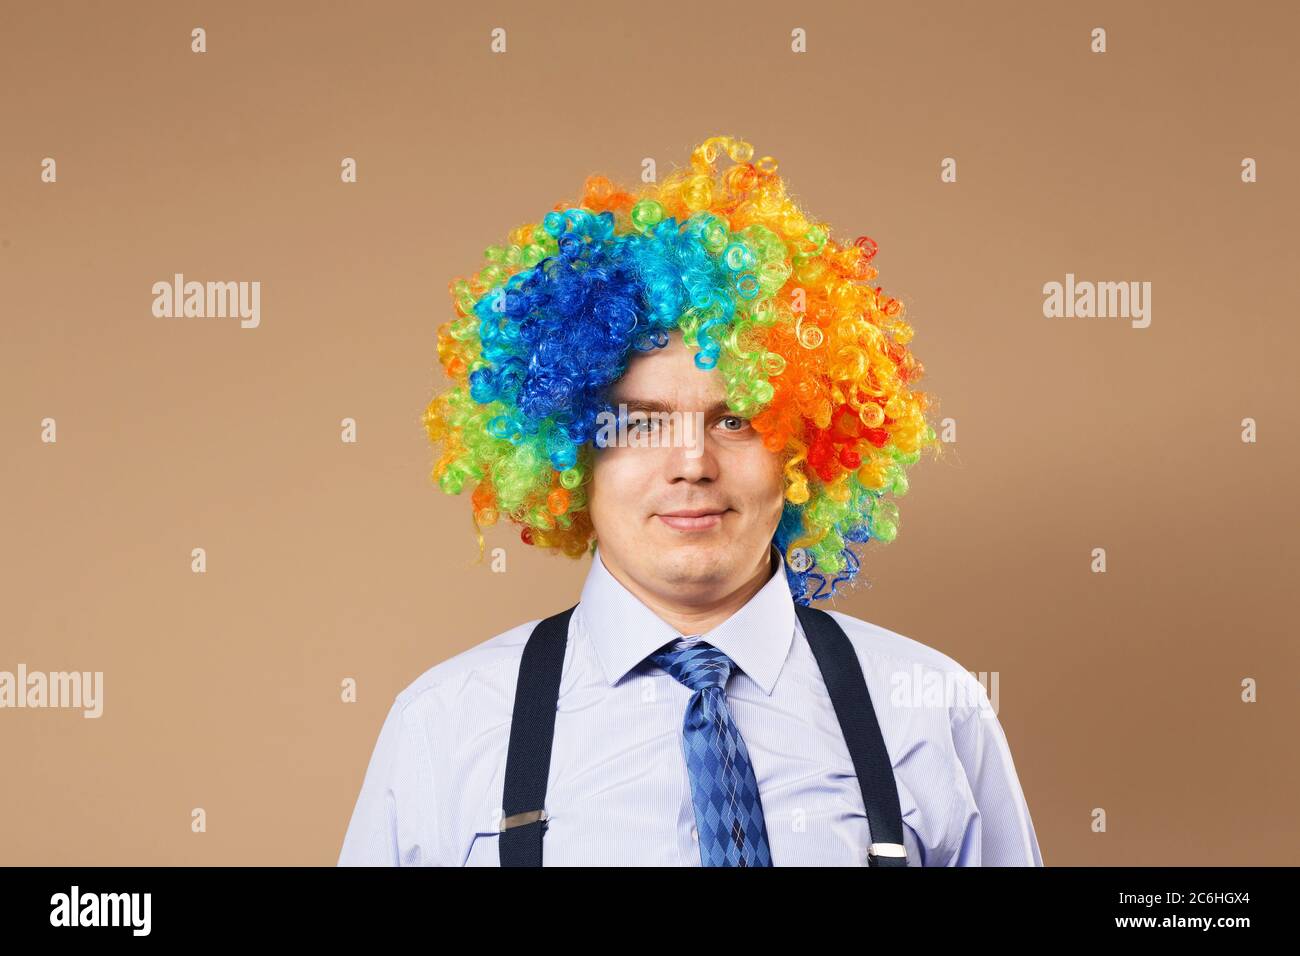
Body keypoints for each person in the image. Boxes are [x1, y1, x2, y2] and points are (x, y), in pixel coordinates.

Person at [337, 135, 1042, 866]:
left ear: (804, 444)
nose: (692, 465)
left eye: (735, 420)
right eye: (640, 422)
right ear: (568, 453)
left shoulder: (932, 708)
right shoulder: (448, 722)